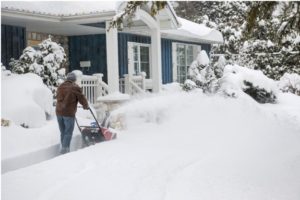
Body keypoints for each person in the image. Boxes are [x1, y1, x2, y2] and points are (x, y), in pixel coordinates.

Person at [56, 72, 89, 154]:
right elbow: (82, 98)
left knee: (63, 132)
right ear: (74, 80)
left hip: (59, 112)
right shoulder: (75, 87)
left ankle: (63, 148)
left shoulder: (60, 86)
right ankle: (65, 150)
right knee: (68, 132)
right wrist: (86, 106)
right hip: (68, 113)